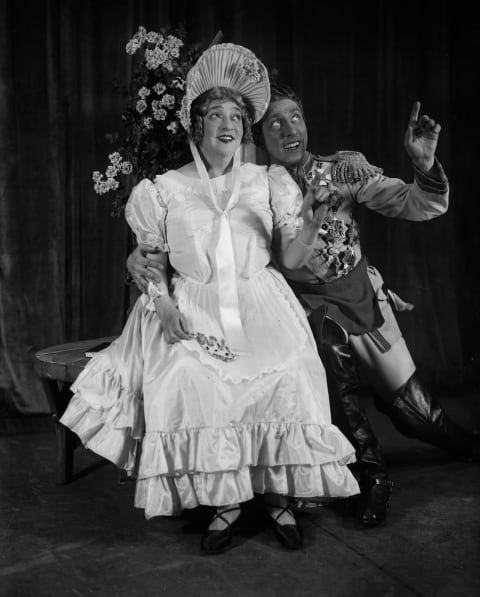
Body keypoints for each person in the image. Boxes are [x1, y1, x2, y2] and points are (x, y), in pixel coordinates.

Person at [128, 82, 480, 528]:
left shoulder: (344, 171)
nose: (288, 128)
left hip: (359, 300)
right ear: (259, 135)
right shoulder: (248, 178)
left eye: (295, 116)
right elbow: (198, 230)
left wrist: (424, 164)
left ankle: (467, 445)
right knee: (319, 365)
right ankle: (371, 479)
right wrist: (139, 255)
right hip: (298, 311)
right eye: (273, 122)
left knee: (414, 410)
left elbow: (419, 204)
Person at [60, 44, 360, 555]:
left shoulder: (268, 181)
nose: (228, 124)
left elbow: (290, 260)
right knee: (190, 377)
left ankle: (279, 496)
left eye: (237, 117)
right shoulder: (162, 190)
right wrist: (164, 302)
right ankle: (225, 501)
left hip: (260, 302)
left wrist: (310, 220)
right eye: (216, 115)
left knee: (289, 370)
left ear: (246, 128)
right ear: (196, 126)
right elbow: (150, 259)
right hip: (193, 303)